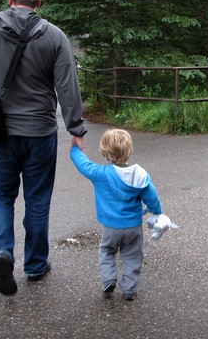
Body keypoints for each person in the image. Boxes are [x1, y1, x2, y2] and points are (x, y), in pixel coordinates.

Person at [0, 0, 87, 296]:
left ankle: (2, 252)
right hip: (40, 132)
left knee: (0, 195)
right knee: (37, 200)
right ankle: (35, 265)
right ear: (39, 2)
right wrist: (75, 128)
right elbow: (67, 86)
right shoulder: (55, 37)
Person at [70, 129, 163, 301]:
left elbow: (83, 164)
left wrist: (75, 149)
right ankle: (129, 289)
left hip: (111, 227)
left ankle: (109, 279)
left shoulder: (100, 174)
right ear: (129, 150)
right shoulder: (139, 175)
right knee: (133, 256)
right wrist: (157, 212)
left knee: (107, 251)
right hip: (133, 226)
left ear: (105, 153)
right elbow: (152, 197)